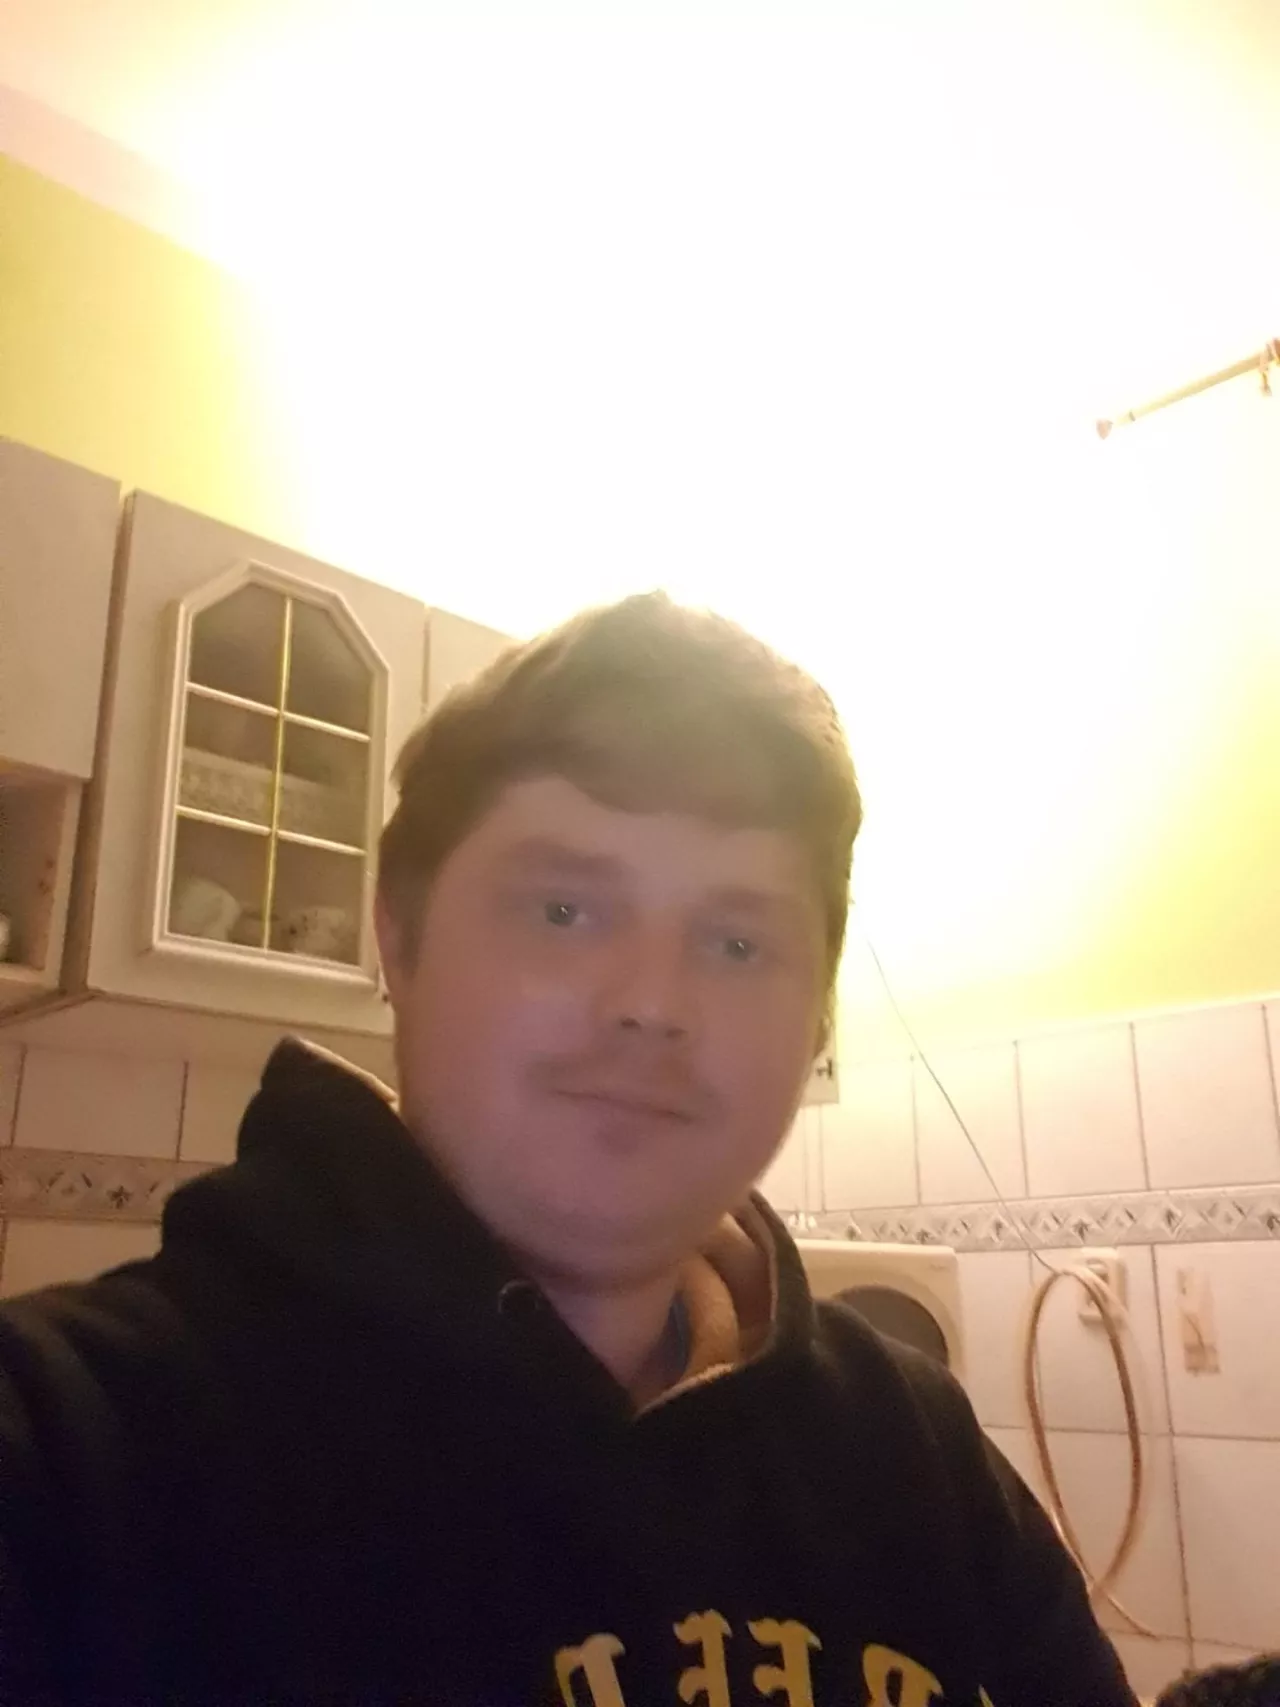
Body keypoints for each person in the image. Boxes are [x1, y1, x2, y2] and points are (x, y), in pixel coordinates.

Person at [0, 594, 1136, 1706]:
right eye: (562, 911)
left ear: (820, 1016)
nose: (652, 1003)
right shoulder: (75, 1444)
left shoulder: (912, 1446)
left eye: (737, 942)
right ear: (397, 934)